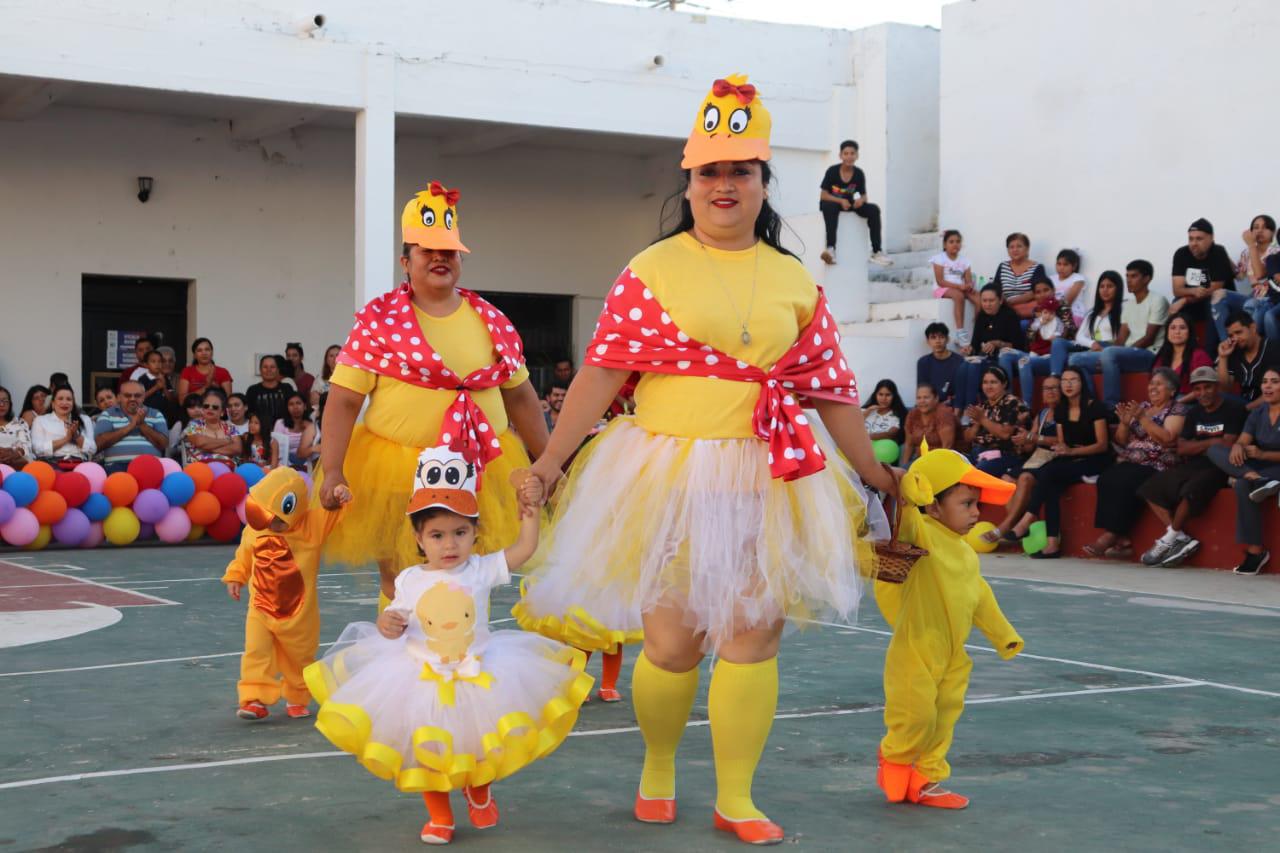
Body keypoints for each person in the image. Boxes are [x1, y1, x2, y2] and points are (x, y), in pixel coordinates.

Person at [517, 75, 894, 844]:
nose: (725, 185)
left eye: (742, 172)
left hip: (769, 476)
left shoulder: (796, 280)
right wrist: (551, 461)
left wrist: (876, 472)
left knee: (753, 634)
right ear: (689, 183)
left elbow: (831, 392)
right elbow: (599, 374)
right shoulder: (651, 270)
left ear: (764, 184)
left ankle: (736, 796)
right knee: (671, 643)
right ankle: (658, 765)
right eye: (710, 172)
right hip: (664, 479)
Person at [304, 451, 589, 845]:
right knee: (427, 750)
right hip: (420, 679)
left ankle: (479, 785)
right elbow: (395, 623)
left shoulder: (481, 569)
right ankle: (439, 816)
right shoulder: (408, 579)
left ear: (475, 533)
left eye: (460, 532)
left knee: (480, 740)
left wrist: (530, 514)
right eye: (437, 535)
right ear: (420, 538)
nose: (449, 544)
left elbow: (524, 549)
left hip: (479, 673)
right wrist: (387, 625)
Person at [317, 180, 549, 606]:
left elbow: (521, 398)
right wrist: (332, 469)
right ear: (406, 261)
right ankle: (403, 660)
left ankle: (458, 656)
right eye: (428, 251)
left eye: (449, 252)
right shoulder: (379, 321)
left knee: (468, 575)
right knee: (400, 580)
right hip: (396, 469)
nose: (440, 259)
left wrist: (550, 462)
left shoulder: (491, 320)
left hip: (483, 466)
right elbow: (345, 400)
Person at [877, 447, 1022, 810]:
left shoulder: (965, 553)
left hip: (955, 653)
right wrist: (912, 492)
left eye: (977, 505)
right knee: (916, 713)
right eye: (967, 504)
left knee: (944, 717)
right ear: (934, 506)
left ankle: (926, 779)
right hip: (916, 647)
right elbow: (907, 512)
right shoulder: (920, 533)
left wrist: (1003, 635)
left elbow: (980, 597)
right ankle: (894, 758)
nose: (976, 513)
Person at [222, 467, 351, 721]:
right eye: (267, 518)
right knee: (256, 651)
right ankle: (255, 698)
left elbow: (335, 515)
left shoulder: (311, 525)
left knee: (299, 657)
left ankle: (297, 695)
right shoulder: (257, 527)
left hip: (299, 613)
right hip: (260, 607)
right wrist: (236, 575)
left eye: (279, 520)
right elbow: (244, 554)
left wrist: (342, 496)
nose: (273, 525)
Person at [1139, 366, 1245, 567]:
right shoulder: (1194, 412)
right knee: (1150, 488)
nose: (1202, 393)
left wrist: (1201, 446)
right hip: (1195, 463)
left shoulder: (1233, 409)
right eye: (1198, 389)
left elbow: (1228, 445)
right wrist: (1212, 444)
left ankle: (1168, 539)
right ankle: (1178, 536)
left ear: (1217, 387)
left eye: (1207, 387)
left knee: (1191, 490)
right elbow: (1182, 448)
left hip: (1222, 466)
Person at [1005, 366, 1110, 558]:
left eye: (1073, 380)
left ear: (1082, 383)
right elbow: (1063, 443)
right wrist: (1064, 449)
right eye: (1065, 381)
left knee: (1050, 474)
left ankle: (1028, 518)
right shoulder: (1061, 410)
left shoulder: (1095, 407)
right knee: (1050, 480)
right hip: (1072, 457)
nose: (1068, 385)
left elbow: (1102, 445)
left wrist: (1071, 451)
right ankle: (1052, 543)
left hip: (1095, 458)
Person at [1084, 369, 1187, 558]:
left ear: (1172, 391)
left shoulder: (1176, 409)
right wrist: (1124, 423)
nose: (1152, 387)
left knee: (1128, 480)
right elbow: (1122, 441)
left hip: (1158, 463)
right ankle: (1123, 539)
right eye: (1151, 383)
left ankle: (1110, 536)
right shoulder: (1144, 406)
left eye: (1159, 384)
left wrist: (1141, 419)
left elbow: (1168, 439)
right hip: (1131, 460)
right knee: (1107, 478)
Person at [1207, 366, 1280, 575]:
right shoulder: (1259, 412)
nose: (1267, 386)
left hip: (1274, 465)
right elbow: (1244, 439)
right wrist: (1239, 445)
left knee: (1240, 485)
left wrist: (1262, 455)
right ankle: (1255, 478)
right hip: (1260, 469)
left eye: (1274, 381)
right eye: (1265, 381)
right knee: (1215, 450)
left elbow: (1259, 453)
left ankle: (1255, 552)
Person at [1073, 261, 1168, 406]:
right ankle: (1091, 403)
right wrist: (1103, 356)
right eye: (1127, 276)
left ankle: (1111, 407)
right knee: (1075, 360)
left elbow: (1149, 338)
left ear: (1147, 278)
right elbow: (1121, 340)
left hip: (1148, 355)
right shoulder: (1129, 305)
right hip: (1127, 354)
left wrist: (1113, 353)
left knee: (1109, 353)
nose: (1128, 280)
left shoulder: (1157, 300)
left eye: (1134, 276)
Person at [981, 375, 1062, 544]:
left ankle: (1006, 526)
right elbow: (1030, 444)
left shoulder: (1066, 413)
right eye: (1046, 388)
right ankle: (1018, 524)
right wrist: (1023, 441)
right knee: (1007, 479)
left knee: (1025, 478)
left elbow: (1063, 441)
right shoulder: (1043, 413)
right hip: (1036, 458)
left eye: (1055, 388)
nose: (1050, 392)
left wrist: (1033, 437)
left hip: (1055, 459)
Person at [1170, 218, 1240, 354]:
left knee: (1212, 301)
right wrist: (1194, 291)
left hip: (1220, 303)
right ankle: (1182, 354)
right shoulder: (1181, 254)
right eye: (1191, 239)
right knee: (1175, 304)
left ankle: (1210, 354)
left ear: (1211, 238)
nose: (1194, 243)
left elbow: (1215, 288)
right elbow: (1177, 289)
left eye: (1199, 239)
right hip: (1196, 300)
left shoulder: (1218, 252)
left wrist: (1185, 299)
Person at [818, 139, 892, 266]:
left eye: (852, 153)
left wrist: (860, 201)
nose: (849, 156)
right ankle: (831, 250)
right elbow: (823, 195)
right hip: (833, 203)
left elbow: (864, 196)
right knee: (829, 207)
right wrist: (840, 200)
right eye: (846, 153)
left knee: (873, 209)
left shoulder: (858, 173)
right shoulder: (832, 171)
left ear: (857, 155)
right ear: (840, 155)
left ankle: (876, 251)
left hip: (849, 204)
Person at [958, 285, 1022, 406]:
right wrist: (969, 349)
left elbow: (1018, 346)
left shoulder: (1010, 316)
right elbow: (975, 345)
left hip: (1002, 360)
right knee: (964, 365)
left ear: (1000, 300)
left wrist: (998, 343)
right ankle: (959, 408)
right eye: (984, 301)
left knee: (973, 367)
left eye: (991, 301)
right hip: (984, 359)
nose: (987, 304)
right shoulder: (981, 317)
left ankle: (970, 409)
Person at [1058, 270, 1125, 387]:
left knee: (1074, 360)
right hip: (1094, 348)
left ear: (1118, 288)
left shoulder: (1124, 308)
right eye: (1102, 286)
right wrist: (1092, 343)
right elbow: (1079, 336)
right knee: (1072, 360)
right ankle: (1090, 398)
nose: (1105, 290)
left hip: (1111, 349)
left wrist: (1104, 349)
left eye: (1110, 286)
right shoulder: (1092, 313)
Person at [1015, 281, 1077, 405]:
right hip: (1037, 353)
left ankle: (1030, 404)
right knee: (1012, 357)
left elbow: (1071, 331)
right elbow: (1029, 337)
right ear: (1034, 296)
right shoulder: (1037, 312)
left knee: (1025, 360)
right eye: (1038, 292)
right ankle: (1022, 406)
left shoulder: (1062, 307)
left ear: (1053, 291)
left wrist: (1056, 327)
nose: (1042, 294)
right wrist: (1039, 323)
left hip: (1055, 354)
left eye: (1046, 290)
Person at [962, 366, 1030, 478]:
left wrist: (983, 419)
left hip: (1005, 454)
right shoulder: (983, 406)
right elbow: (967, 438)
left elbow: (1005, 434)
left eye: (993, 382)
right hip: (978, 453)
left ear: (1004, 384)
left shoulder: (1012, 403)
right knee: (952, 464)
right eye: (985, 382)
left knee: (976, 474)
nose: (988, 387)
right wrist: (977, 424)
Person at [94, 380, 169, 473]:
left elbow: (163, 444)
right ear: (119, 397)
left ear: (144, 397)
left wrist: (142, 425)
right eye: (127, 395)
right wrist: (130, 427)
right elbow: (99, 443)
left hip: (149, 467)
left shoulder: (156, 414)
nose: (132, 398)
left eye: (137, 395)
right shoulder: (107, 414)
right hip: (117, 467)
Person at [1217, 311, 1280, 410]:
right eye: (1231, 336)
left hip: (1268, 405)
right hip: (1245, 403)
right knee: (1218, 397)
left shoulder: (1274, 349)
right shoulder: (1234, 351)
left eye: (1238, 332)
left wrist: (1247, 409)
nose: (1235, 338)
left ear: (1253, 328)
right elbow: (1224, 389)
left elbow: (1274, 391)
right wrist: (1223, 357)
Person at [31, 385, 96, 466]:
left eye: (69, 399)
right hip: (51, 463)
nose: (65, 403)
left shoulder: (85, 419)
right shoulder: (40, 420)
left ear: (73, 403)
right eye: (60, 399)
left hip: (79, 463)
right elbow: (37, 449)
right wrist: (66, 439)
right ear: (53, 404)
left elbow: (93, 449)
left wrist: (76, 437)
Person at [989, 233, 1050, 318]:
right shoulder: (1003, 266)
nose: (1015, 250)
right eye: (1011, 247)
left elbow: (1038, 292)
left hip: (1026, 309)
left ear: (1027, 249)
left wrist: (1011, 302)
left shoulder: (1037, 267)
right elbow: (995, 289)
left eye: (1019, 246)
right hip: (1005, 308)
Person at [1152, 314, 1212, 396]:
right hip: (1166, 401)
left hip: (1189, 402)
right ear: (1167, 332)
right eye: (1173, 328)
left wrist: (1177, 403)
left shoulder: (1200, 356)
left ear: (1190, 332)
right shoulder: (1162, 356)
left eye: (1182, 328)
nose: (1177, 332)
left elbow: (1203, 389)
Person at [930, 230, 977, 332]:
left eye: (958, 241)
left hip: (960, 289)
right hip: (942, 289)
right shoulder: (939, 258)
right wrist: (960, 287)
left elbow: (968, 280)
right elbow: (940, 281)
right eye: (951, 242)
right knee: (958, 295)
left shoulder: (965, 261)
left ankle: (977, 327)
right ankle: (960, 331)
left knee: (979, 298)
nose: (955, 244)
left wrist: (969, 286)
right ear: (944, 244)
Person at [183, 389, 241, 466]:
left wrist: (205, 448)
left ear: (222, 412)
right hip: (200, 469)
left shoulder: (230, 427)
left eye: (215, 407)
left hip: (227, 468)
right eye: (206, 406)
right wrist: (227, 441)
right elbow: (200, 442)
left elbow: (237, 448)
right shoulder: (194, 425)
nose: (210, 408)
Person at [902, 383, 957, 465]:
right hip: (921, 460)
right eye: (919, 398)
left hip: (944, 462)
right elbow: (909, 444)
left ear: (936, 399)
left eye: (926, 397)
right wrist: (904, 468)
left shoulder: (944, 414)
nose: (922, 401)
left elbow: (947, 447)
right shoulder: (912, 414)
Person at [916, 322, 963, 407]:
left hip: (953, 406)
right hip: (930, 406)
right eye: (933, 338)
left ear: (947, 339)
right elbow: (922, 390)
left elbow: (961, 392)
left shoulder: (959, 361)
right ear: (928, 341)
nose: (937, 341)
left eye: (941, 337)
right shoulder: (923, 362)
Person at [245, 355, 291, 436]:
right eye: (265, 367)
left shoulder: (287, 389)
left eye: (272, 367)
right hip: (260, 434)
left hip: (285, 432)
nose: (269, 370)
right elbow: (249, 414)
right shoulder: (253, 390)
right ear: (260, 370)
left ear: (277, 370)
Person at [273, 391, 318, 471]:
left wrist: (309, 428)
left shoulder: (312, 424)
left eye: (298, 403)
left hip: (307, 463)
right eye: (291, 404)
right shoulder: (280, 423)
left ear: (304, 406)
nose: (295, 407)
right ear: (287, 408)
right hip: (285, 464)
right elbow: (276, 448)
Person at [1050, 248, 1090, 327]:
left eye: (1065, 264)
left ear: (1074, 266)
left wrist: (1050, 305)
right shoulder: (1051, 279)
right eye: (1059, 264)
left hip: (1073, 314)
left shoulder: (1078, 278)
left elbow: (1067, 302)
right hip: (1053, 313)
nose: (1061, 267)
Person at [864, 379, 907, 443]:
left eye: (888, 395)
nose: (884, 398)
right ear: (875, 395)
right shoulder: (866, 410)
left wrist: (865, 437)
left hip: (882, 450)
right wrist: (868, 411)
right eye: (880, 394)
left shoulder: (898, 415)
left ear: (894, 396)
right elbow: (852, 427)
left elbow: (890, 435)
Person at [0, 385, 33, 470]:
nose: (2, 404)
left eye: (5, 401)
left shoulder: (20, 423)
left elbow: (27, 448)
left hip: (17, 467)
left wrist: (16, 453)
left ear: (10, 404)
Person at [169, 393, 204, 460]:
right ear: (185, 409)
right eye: (192, 407)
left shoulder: (209, 423)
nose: (196, 410)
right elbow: (171, 449)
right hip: (184, 460)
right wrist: (186, 446)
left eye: (199, 406)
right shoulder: (180, 424)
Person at [310, 344, 342, 411]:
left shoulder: (349, 377)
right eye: (331, 356)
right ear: (327, 360)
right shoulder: (320, 378)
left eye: (337, 355)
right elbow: (314, 400)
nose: (335, 358)